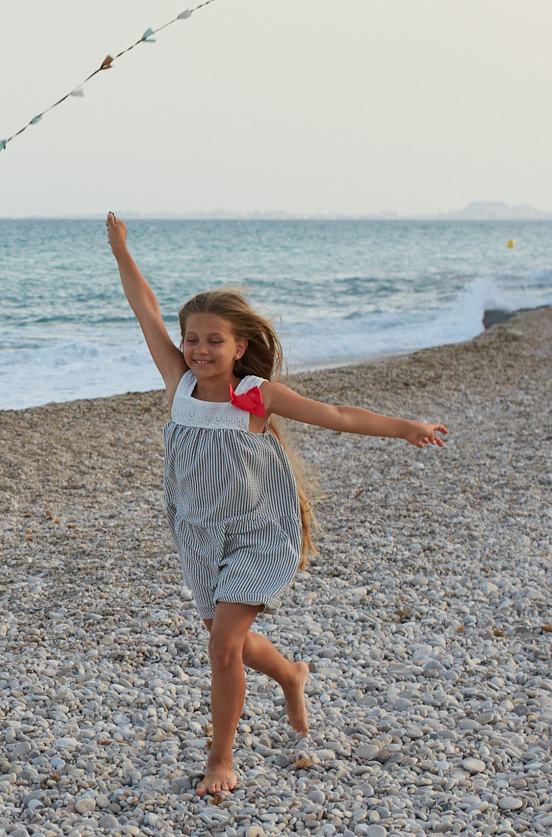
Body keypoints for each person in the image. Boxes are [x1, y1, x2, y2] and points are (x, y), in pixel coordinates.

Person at [106, 213, 446, 797]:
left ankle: (220, 759)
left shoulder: (254, 396)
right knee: (228, 639)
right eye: (192, 339)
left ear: (240, 346)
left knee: (220, 646)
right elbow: (146, 308)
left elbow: (337, 416)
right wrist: (121, 253)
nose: (199, 349)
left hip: (259, 534)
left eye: (215, 340)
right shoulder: (178, 385)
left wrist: (404, 427)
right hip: (200, 534)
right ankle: (291, 674)